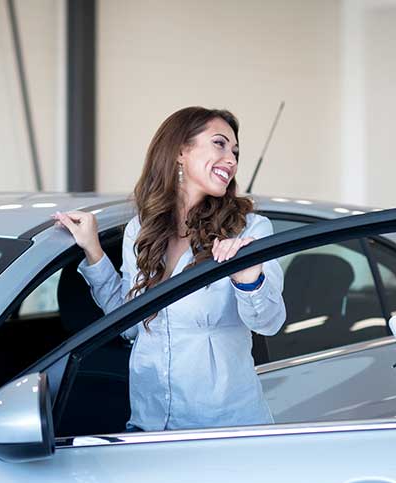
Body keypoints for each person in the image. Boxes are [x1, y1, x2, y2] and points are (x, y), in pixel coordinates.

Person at [55, 106, 286, 432]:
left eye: (235, 151)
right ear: (180, 150)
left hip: (221, 430)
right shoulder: (142, 229)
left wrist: (249, 280)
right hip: (149, 422)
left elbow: (269, 322)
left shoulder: (249, 229)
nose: (232, 159)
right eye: (220, 144)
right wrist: (93, 251)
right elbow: (130, 323)